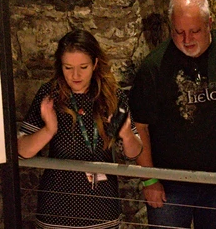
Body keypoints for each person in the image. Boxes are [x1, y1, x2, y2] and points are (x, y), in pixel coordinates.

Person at [128, 0, 216, 229]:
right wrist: (150, 180)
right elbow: (141, 126)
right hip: (170, 182)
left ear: (209, 23)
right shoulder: (154, 67)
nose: (187, 39)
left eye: (195, 31)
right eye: (179, 32)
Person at [17, 29, 143, 229]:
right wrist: (49, 130)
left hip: (102, 211)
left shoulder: (112, 95)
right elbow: (22, 150)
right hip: (57, 211)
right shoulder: (50, 94)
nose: (75, 75)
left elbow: (134, 153)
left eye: (83, 67)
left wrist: (127, 134)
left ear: (94, 64)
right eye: (68, 68)